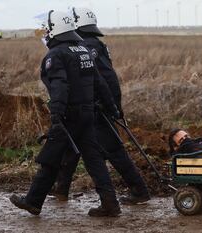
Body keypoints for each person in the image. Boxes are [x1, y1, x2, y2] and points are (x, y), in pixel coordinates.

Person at [9, 10, 122, 217]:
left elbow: (60, 87)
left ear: (55, 29)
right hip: (88, 113)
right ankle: (110, 204)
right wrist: (112, 108)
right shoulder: (83, 50)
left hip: (69, 115)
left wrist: (56, 114)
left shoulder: (56, 54)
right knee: (94, 160)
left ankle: (33, 201)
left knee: (51, 157)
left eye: (47, 28)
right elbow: (100, 83)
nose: (45, 32)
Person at [50, 7, 150, 205]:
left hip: (97, 110)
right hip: (92, 108)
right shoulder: (92, 45)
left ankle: (139, 191)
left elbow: (107, 79)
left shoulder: (88, 46)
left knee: (113, 150)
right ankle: (61, 189)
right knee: (71, 148)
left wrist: (112, 107)